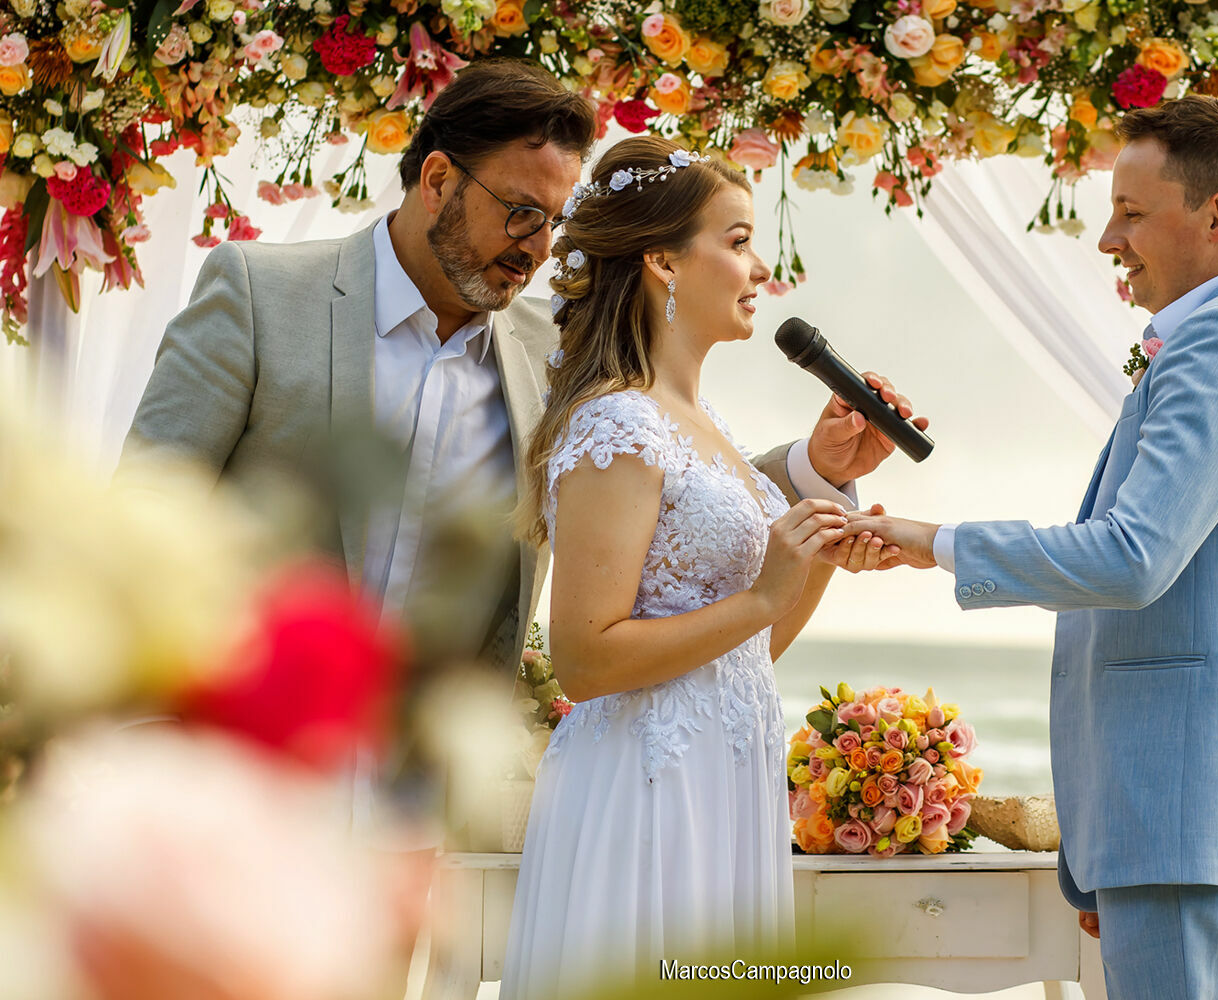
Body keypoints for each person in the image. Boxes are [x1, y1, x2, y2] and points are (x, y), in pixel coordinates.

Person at [120, 59, 921, 846]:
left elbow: (675, 469)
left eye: (554, 222)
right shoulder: (260, 293)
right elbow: (144, 515)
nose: (537, 247)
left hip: (417, 786)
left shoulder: (552, 351)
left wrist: (820, 466)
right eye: (519, 212)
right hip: (241, 762)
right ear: (437, 180)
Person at [843, 95, 1218, 1000]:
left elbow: (1132, 556)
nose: (1107, 240)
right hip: (1167, 807)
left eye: (1132, 213)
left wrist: (934, 541)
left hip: (1186, 800)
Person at [501, 136, 915, 997]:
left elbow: (746, 652)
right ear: (660, 260)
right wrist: (767, 585)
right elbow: (583, 656)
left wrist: (822, 546)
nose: (758, 266)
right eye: (734, 240)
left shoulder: (708, 425)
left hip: (726, 780)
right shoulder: (615, 424)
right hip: (644, 792)